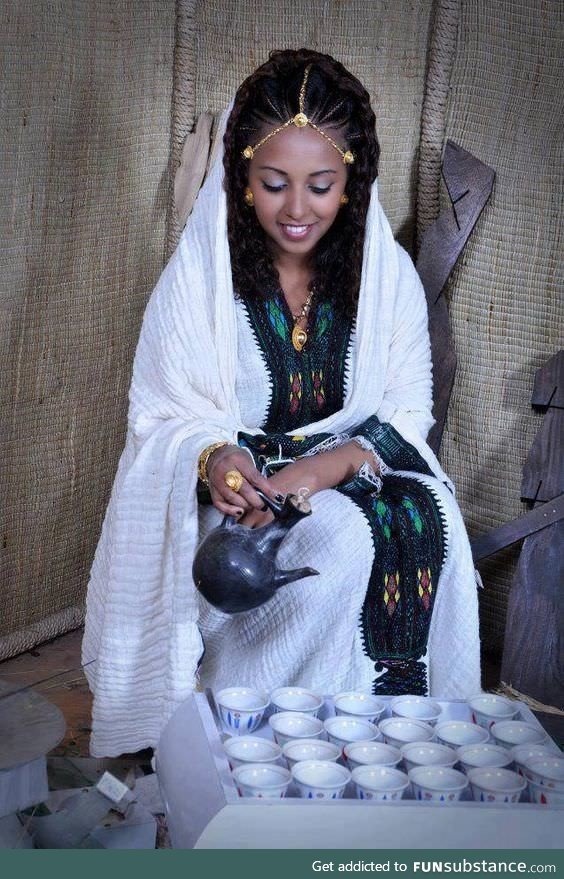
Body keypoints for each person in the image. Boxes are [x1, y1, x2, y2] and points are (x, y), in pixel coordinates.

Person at [83, 49, 480, 758]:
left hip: (352, 471)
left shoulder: (381, 279)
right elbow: (161, 415)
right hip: (243, 496)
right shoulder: (201, 279)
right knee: (338, 542)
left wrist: (325, 469)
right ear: (240, 180)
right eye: (273, 184)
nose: (297, 210)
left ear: (352, 184)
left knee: (428, 516)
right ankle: (264, 744)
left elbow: (408, 412)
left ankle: (386, 744)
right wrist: (216, 459)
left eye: (321, 185)